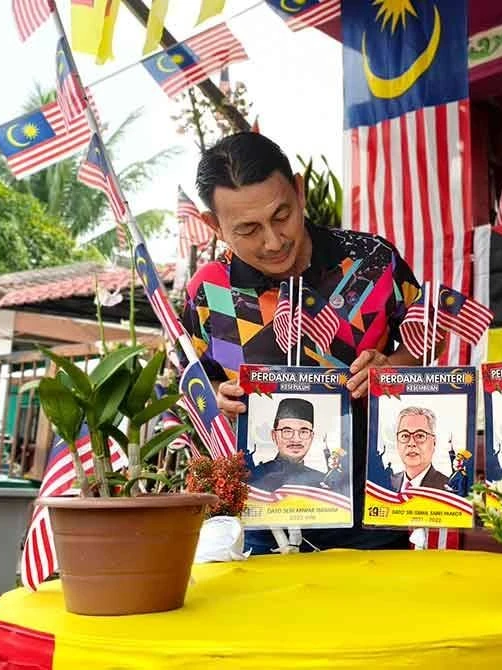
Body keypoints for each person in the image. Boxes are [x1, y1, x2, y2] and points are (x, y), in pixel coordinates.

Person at [183, 132, 432, 555]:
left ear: (299, 191)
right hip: (261, 523)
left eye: (282, 215)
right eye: (247, 229)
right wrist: (214, 403)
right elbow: (192, 392)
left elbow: (425, 342)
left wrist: (392, 369)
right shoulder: (208, 293)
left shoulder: (373, 261)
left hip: (373, 512)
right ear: (214, 227)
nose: (273, 241)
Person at [248, 398, 325, 491]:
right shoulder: (253, 477)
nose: (296, 439)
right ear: (274, 435)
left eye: (304, 431)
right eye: (287, 431)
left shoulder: (323, 482)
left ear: (311, 437)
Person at [390, 407, 449, 491]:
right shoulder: (385, 483)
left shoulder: (448, 489)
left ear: (434, 442)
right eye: (405, 436)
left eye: (420, 436)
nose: (411, 443)